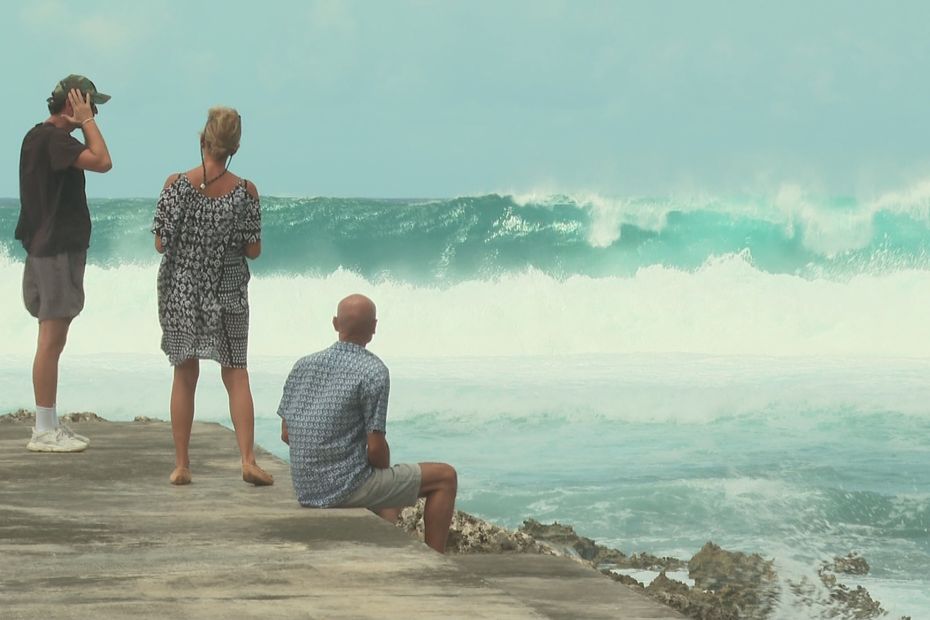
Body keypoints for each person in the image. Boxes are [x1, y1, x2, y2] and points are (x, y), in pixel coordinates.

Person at [278, 294, 458, 553]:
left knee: (387, 487)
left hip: (306, 489)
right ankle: (437, 561)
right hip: (342, 490)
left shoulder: (303, 365)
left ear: (335, 323)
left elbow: (287, 434)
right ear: (374, 328)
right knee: (445, 477)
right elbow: (375, 448)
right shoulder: (374, 371)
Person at [152, 106, 272, 487]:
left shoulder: (175, 185)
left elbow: (159, 243)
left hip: (182, 290)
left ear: (202, 140)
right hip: (229, 289)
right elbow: (253, 250)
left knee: (185, 374)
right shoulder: (246, 191)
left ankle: (183, 465)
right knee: (236, 373)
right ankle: (248, 459)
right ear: (235, 147)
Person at [16, 75, 113, 452]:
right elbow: (103, 161)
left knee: (52, 339)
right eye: (91, 105)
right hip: (54, 249)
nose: (96, 113)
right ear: (73, 102)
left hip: (48, 246)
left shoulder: (38, 137)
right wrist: (87, 122)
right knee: (51, 340)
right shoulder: (55, 140)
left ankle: (49, 423)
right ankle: (43, 430)